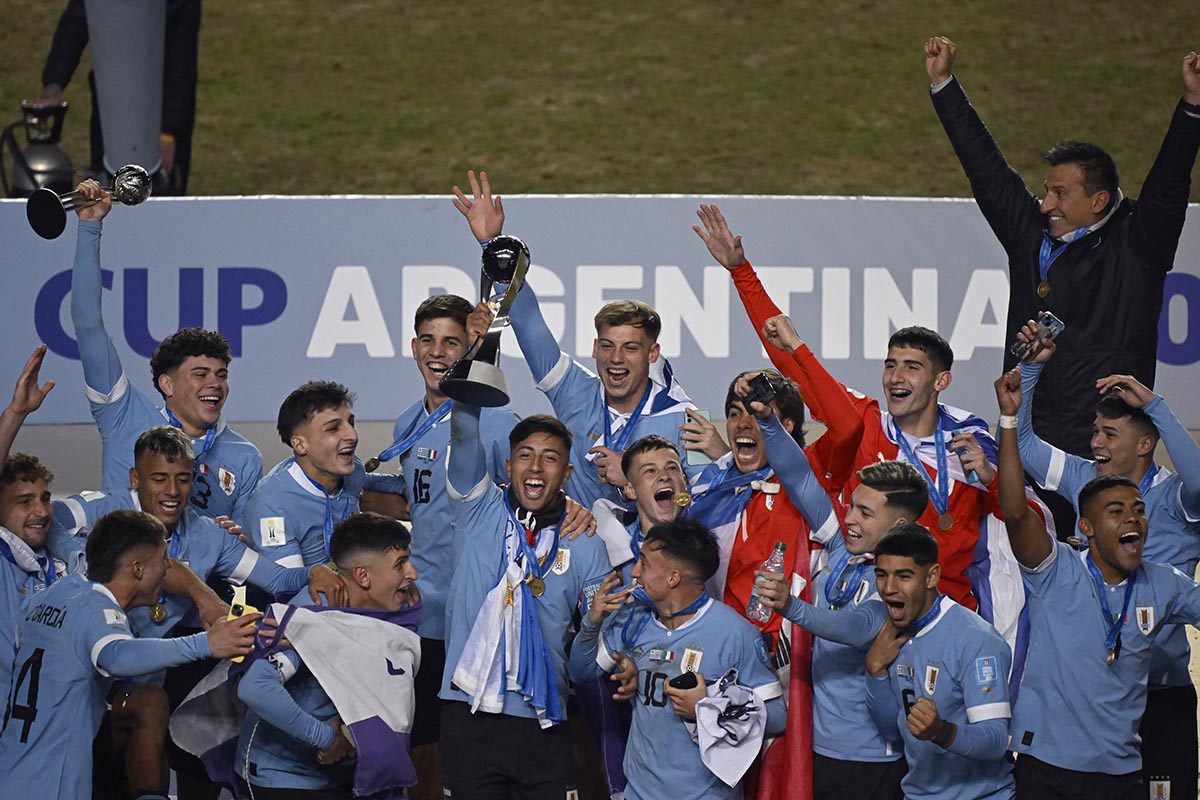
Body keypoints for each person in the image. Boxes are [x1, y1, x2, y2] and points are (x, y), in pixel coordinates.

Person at [696, 204, 1029, 618]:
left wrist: (992, 478)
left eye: (911, 367)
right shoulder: (868, 421)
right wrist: (741, 272)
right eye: (890, 365)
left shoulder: (968, 436)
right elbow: (791, 360)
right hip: (865, 608)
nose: (895, 377)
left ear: (941, 381)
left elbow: (1016, 513)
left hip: (949, 615)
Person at [925, 37, 1200, 530]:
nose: (1046, 203)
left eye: (1059, 193)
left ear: (1098, 201)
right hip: (1029, 438)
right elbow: (987, 172)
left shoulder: (1139, 243)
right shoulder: (1030, 232)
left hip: (1101, 447)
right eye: (1046, 190)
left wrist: (1193, 108)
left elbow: (1170, 183)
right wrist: (945, 86)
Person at [452, 170, 718, 507]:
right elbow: (530, 325)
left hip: (648, 556)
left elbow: (711, 506)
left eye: (630, 348)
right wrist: (492, 243)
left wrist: (637, 479)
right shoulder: (576, 391)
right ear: (594, 348)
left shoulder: (689, 420)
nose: (616, 359)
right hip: (577, 552)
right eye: (607, 346)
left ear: (653, 354)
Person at [1007, 334, 1200, 798]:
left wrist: (1157, 406)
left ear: (1145, 444)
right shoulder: (1083, 479)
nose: (1095, 442)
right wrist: (1031, 372)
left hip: (1161, 692)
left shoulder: (1175, 497)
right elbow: (1026, 447)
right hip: (1094, 698)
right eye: (1095, 431)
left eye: (1109, 434)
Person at [441, 311, 612, 798]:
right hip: (468, 716)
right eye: (525, 455)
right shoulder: (479, 509)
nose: (536, 466)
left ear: (565, 473)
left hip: (546, 722)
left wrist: (595, 623)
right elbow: (463, 429)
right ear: (509, 463)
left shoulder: (586, 542)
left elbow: (583, 670)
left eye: (550, 458)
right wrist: (479, 351)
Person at [0, 508, 258, 800]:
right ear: (138, 569)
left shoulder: (50, 596)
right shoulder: (96, 610)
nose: (168, 569)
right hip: (51, 786)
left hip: (10, 771)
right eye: (163, 560)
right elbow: (116, 656)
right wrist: (206, 644)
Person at [372, 294, 520, 797]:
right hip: (421, 614)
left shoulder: (499, 421)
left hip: (479, 615)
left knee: (478, 750)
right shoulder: (405, 424)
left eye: (451, 342)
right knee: (421, 741)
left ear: (469, 350)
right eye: (429, 340)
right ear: (414, 347)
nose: (438, 352)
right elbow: (420, 505)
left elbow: (525, 506)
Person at [68, 179, 262, 523]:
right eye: (200, 374)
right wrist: (89, 225)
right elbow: (87, 323)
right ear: (166, 384)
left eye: (221, 375)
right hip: (117, 571)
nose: (214, 384)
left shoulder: (245, 457)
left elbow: (249, 543)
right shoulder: (124, 415)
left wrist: (238, 536)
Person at [569, 517, 786, 799]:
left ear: (673, 578)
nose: (634, 572)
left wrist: (709, 706)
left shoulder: (735, 634)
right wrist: (593, 620)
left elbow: (779, 716)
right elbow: (580, 672)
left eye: (644, 563)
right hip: (640, 792)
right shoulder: (633, 621)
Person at [754, 459, 928, 800]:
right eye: (851, 506)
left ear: (899, 525)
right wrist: (767, 420)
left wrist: (791, 607)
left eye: (864, 512)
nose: (848, 518)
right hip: (819, 750)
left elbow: (854, 627)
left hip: (872, 760)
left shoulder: (902, 585)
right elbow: (799, 477)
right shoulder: (843, 551)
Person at [236, 512, 421, 799]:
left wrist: (347, 736)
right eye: (400, 565)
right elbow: (256, 688)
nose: (413, 574)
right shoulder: (313, 609)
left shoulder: (391, 608)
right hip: (284, 778)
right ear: (363, 575)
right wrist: (326, 738)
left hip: (340, 774)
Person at [864, 524, 1015, 800]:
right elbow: (892, 731)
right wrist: (875, 672)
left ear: (932, 576)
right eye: (881, 575)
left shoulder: (976, 640)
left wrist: (941, 731)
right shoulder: (893, 636)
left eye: (904, 576)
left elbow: (995, 741)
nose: (888, 588)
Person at [38, 0, 201, 193]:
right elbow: (75, 22)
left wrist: (168, 133)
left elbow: (180, 65)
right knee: (108, 193)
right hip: (111, 105)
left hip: (161, 112)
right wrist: (53, 86)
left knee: (158, 198)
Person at [244, 381, 404, 571]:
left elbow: (390, 483)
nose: (352, 435)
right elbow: (287, 588)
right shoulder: (271, 505)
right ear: (300, 445)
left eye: (351, 423)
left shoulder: (352, 471)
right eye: (333, 428)